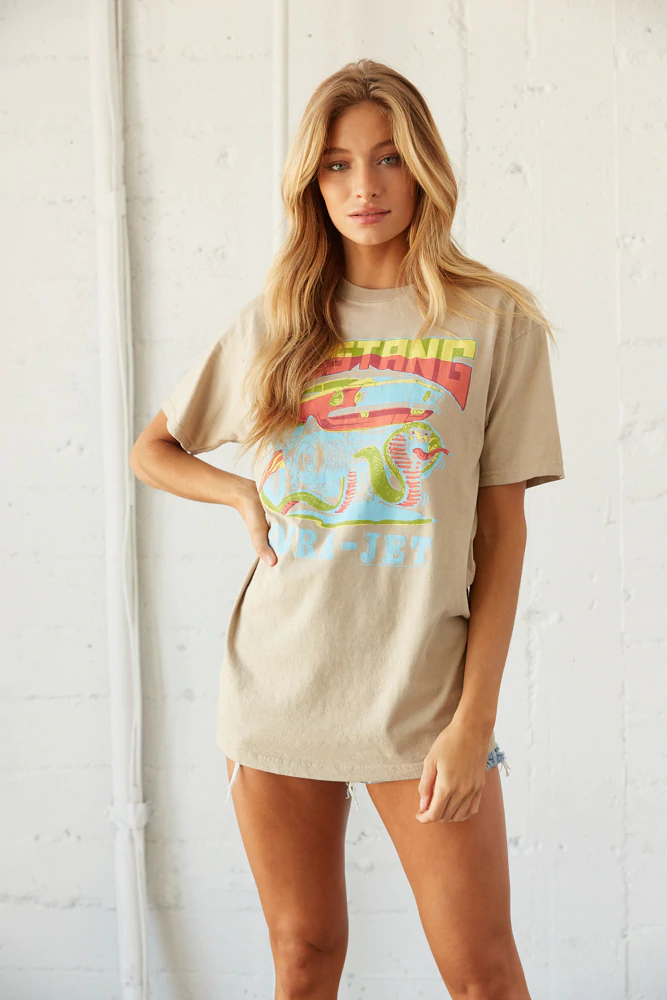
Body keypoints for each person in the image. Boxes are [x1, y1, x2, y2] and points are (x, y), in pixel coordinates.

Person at [130, 58, 564, 1000]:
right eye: (336, 164)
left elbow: (503, 535)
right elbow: (152, 449)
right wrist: (240, 495)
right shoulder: (276, 322)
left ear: (424, 167)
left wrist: (473, 723)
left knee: (483, 974)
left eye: (388, 157)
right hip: (278, 684)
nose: (364, 186)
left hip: (422, 698)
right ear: (311, 182)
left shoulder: (494, 322)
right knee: (304, 959)